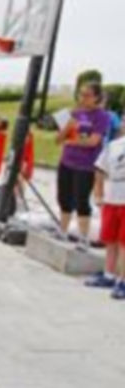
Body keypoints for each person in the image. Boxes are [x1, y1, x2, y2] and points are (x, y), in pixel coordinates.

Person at [55, 82, 110, 250]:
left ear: (96, 97)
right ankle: (62, 230)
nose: (83, 98)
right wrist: (67, 127)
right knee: (64, 197)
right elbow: (58, 140)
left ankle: (83, 237)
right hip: (67, 161)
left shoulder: (102, 116)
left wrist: (72, 140)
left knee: (81, 200)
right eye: (81, 94)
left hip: (86, 164)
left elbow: (94, 141)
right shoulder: (74, 113)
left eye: (87, 95)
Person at [88, 116, 125, 299]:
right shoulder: (113, 145)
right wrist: (99, 192)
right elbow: (100, 169)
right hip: (112, 197)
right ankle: (108, 274)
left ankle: (122, 281)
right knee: (110, 239)